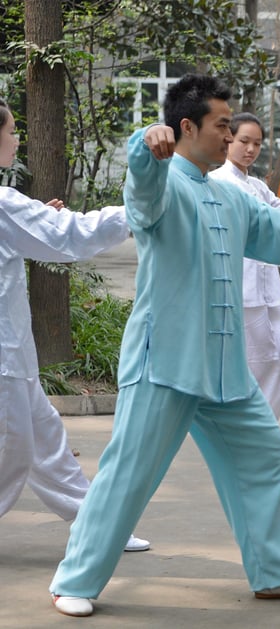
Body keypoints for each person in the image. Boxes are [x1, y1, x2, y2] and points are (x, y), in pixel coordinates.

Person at [48, 74, 280, 618]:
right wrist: (146, 143)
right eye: (222, 124)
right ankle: (73, 580)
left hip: (223, 371)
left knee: (265, 454)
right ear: (187, 127)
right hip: (164, 363)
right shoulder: (162, 185)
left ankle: (276, 574)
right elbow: (141, 187)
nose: (230, 133)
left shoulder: (231, 196)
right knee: (130, 471)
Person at [0, 97, 149, 552]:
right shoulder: (3, 203)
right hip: (4, 355)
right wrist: (136, 211)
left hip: (14, 352)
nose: (16, 139)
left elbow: (43, 236)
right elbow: (70, 236)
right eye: (10, 132)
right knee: (17, 447)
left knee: (46, 441)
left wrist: (34, 219)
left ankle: (98, 525)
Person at [209, 113, 280, 418]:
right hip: (240, 287)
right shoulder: (217, 182)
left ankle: (263, 422)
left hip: (267, 286)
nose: (251, 149)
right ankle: (248, 424)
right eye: (244, 141)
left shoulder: (257, 186)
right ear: (229, 139)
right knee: (256, 361)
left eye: (257, 143)